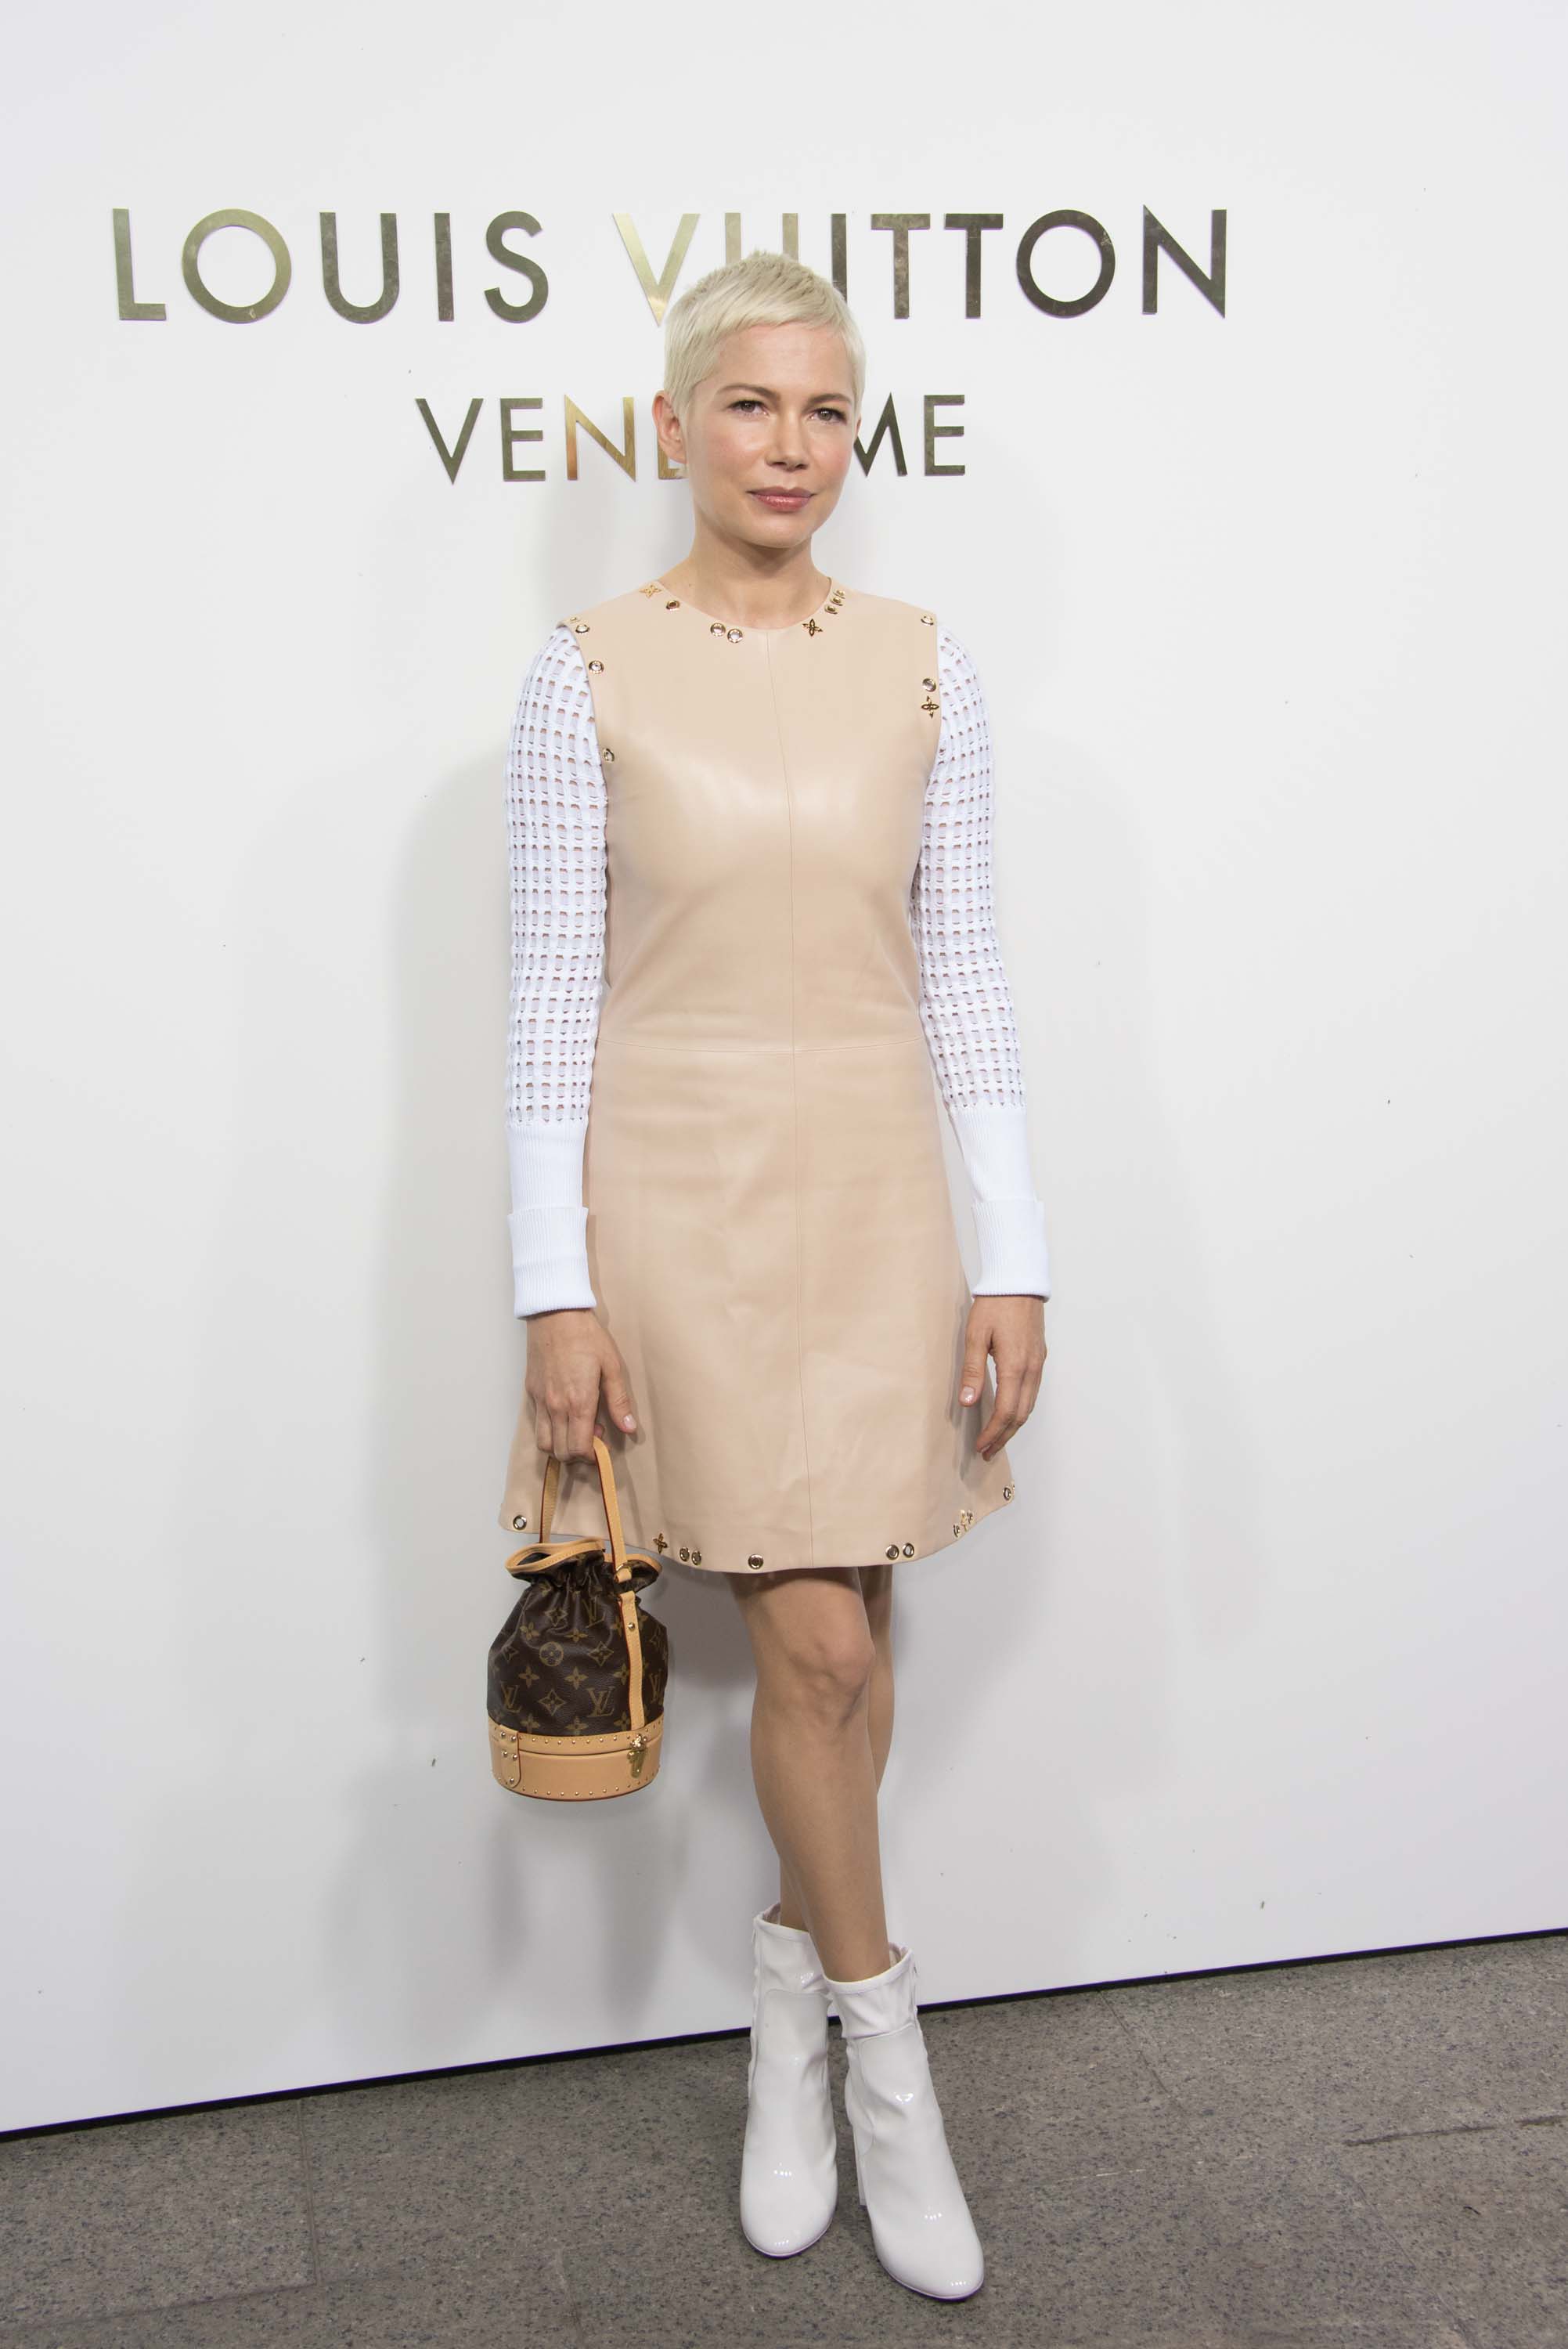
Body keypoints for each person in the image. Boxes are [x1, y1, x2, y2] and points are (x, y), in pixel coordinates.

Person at [496, 248, 1051, 2302]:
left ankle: (781, 2024)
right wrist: (552, 1288)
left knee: (856, 1647)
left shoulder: (925, 664)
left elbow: (963, 976)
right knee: (816, 1653)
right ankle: (886, 2067)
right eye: (750, 405)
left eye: (825, 409)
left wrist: (1015, 1255)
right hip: (679, 1203)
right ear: (673, 425)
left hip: (881, 1195)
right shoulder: (582, 672)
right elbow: (548, 1012)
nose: (790, 445)